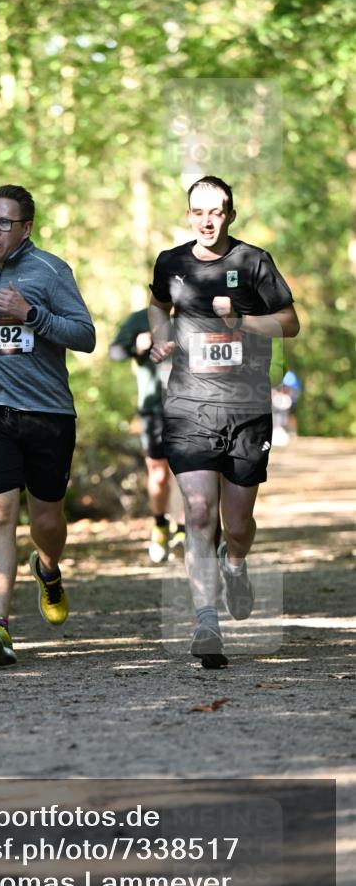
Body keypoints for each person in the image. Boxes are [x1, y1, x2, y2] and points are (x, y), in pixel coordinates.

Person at [148, 176, 300, 668]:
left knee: (236, 524)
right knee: (196, 511)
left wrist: (243, 323)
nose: (207, 220)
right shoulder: (171, 263)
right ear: (189, 215)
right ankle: (205, 620)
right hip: (189, 406)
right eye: (198, 211)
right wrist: (160, 338)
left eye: (217, 211)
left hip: (246, 410)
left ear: (230, 214)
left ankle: (235, 564)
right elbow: (157, 303)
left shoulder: (253, 262)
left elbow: (291, 323)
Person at [0, 184, 96, 667]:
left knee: (46, 521)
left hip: (47, 414)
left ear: (26, 227)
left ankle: (48, 568)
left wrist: (31, 315)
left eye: (4, 223)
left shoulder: (51, 270)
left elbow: (86, 336)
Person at [109, 310, 185, 563]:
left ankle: (184, 531)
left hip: (190, 406)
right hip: (153, 407)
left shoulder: (197, 313)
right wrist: (135, 345)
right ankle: (160, 526)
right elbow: (114, 352)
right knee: (160, 474)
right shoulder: (140, 319)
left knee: (186, 473)